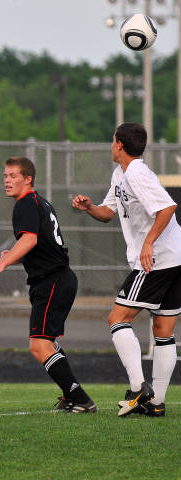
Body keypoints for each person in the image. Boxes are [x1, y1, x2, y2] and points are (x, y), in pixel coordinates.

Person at [72, 122, 180, 417]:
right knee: (163, 329)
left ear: (119, 144)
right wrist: (90, 207)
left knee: (117, 318)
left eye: (112, 140)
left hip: (157, 260)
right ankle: (155, 403)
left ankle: (138, 388)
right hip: (175, 257)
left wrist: (148, 244)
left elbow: (167, 207)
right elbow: (108, 212)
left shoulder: (136, 173)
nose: (111, 145)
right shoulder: (121, 174)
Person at [0, 156, 96, 413]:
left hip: (52, 280)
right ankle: (71, 396)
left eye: (13, 176)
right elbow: (39, 244)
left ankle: (79, 398)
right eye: (5, 176)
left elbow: (30, 240)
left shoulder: (25, 203)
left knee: (39, 345)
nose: (7, 180)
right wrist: (13, 257)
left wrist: (1, 265)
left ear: (28, 179)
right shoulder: (39, 202)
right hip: (57, 278)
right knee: (47, 343)